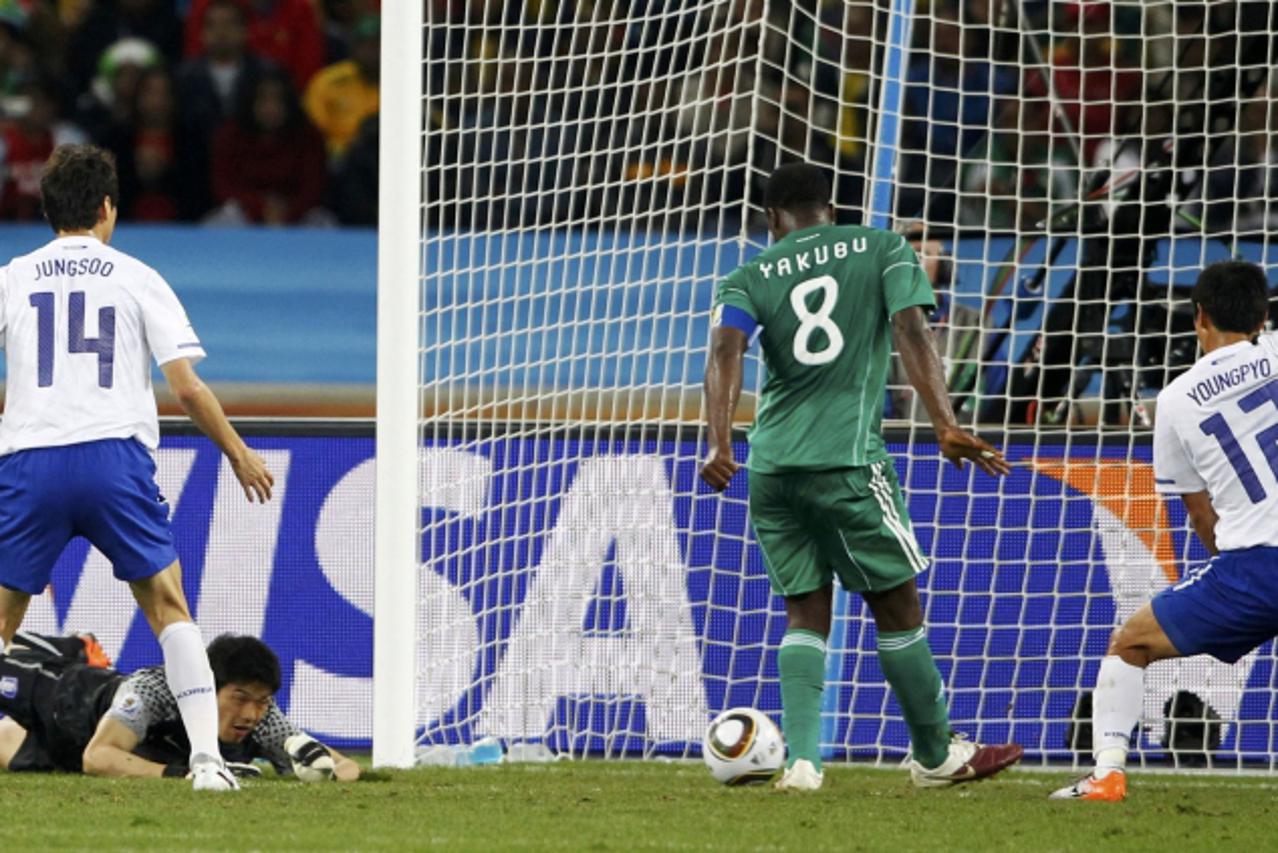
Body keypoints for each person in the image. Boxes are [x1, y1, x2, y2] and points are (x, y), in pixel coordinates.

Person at [699, 162, 1020, 791]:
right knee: (897, 605)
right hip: (845, 461)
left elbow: (724, 351)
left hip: (771, 467)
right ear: (830, 207)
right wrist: (944, 423)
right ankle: (935, 756)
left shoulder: (748, 275)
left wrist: (719, 440)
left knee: (804, 610)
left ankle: (804, 763)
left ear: (772, 218)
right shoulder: (883, 248)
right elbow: (911, 329)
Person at [0, 143, 274, 791]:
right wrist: (236, 451)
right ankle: (208, 762)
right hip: (113, 458)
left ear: (47, 210)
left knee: (4, 622)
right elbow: (185, 387)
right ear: (106, 208)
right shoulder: (135, 276)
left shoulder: (12, 277)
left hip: (30, 461)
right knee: (166, 605)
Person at [1052, 261, 1278, 801]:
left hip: (1254, 570)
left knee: (1130, 643)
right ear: (1264, 316)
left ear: (1198, 317)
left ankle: (1107, 774)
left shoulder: (1175, 399)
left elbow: (1201, 517)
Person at [0, 630, 359, 782]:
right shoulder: (155, 689)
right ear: (206, 688)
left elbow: (345, 767)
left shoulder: (264, 719)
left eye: (261, 701)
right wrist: (182, 776)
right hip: (68, 701)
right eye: (240, 699)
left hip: (64, 755)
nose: (250, 714)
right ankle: (75, 647)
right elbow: (99, 757)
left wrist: (322, 770)